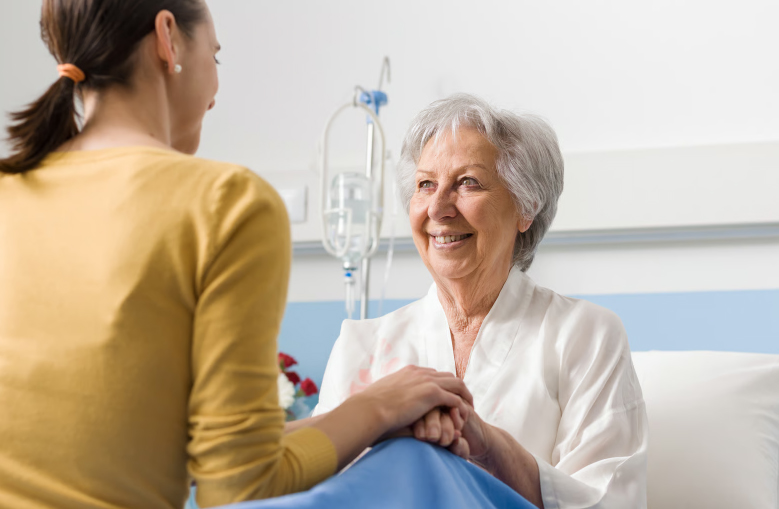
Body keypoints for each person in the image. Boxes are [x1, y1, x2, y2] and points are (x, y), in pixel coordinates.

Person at [0, 2, 474, 508]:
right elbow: (240, 489)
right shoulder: (224, 204)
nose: (215, 89)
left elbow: (182, 458)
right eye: (217, 57)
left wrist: (365, 414)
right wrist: (378, 408)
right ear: (168, 38)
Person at [314, 94, 649, 508]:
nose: (437, 208)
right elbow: (317, 488)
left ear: (526, 206)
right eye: (425, 184)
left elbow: (610, 501)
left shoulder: (584, 334)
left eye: (467, 182)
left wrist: (486, 443)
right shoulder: (361, 344)